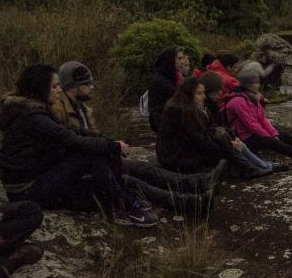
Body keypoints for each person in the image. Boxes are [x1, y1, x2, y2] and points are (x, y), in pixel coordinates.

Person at [0, 64, 157, 227]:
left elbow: (71, 130)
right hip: (27, 189)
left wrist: (105, 140)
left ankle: (122, 200)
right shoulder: (32, 118)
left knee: (98, 167)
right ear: (40, 89)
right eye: (54, 86)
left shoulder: (33, 110)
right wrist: (113, 147)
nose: (60, 89)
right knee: (92, 154)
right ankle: (124, 205)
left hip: (38, 177)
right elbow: (71, 140)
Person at [52, 61, 216, 214]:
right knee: (132, 180)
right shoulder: (59, 112)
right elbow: (71, 143)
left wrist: (111, 146)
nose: (92, 87)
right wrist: (109, 147)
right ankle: (187, 202)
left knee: (144, 169)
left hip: (96, 159)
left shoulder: (83, 109)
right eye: (86, 84)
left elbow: (94, 136)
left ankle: (196, 183)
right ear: (72, 88)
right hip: (86, 166)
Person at [224, 69, 292, 166]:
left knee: (284, 136)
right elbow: (251, 124)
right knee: (273, 142)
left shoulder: (252, 98)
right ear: (248, 85)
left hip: (255, 133)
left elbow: (262, 119)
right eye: (256, 82)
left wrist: (274, 134)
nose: (259, 84)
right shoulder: (237, 101)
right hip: (245, 138)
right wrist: (269, 137)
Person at [199, 71, 287, 178]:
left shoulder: (212, 104)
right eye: (218, 90)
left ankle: (263, 165)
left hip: (218, 139)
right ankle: (259, 167)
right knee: (235, 146)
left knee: (238, 143)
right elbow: (208, 131)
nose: (221, 93)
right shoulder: (206, 107)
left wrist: (232, 137)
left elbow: (219, 125)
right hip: (210, 146)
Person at [147, 47, 187, 133]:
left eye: (183, 58)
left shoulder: (172, 78)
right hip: (166, 129)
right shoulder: (161, 81)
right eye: (179, 58)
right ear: (170, 61)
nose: (183, 62)